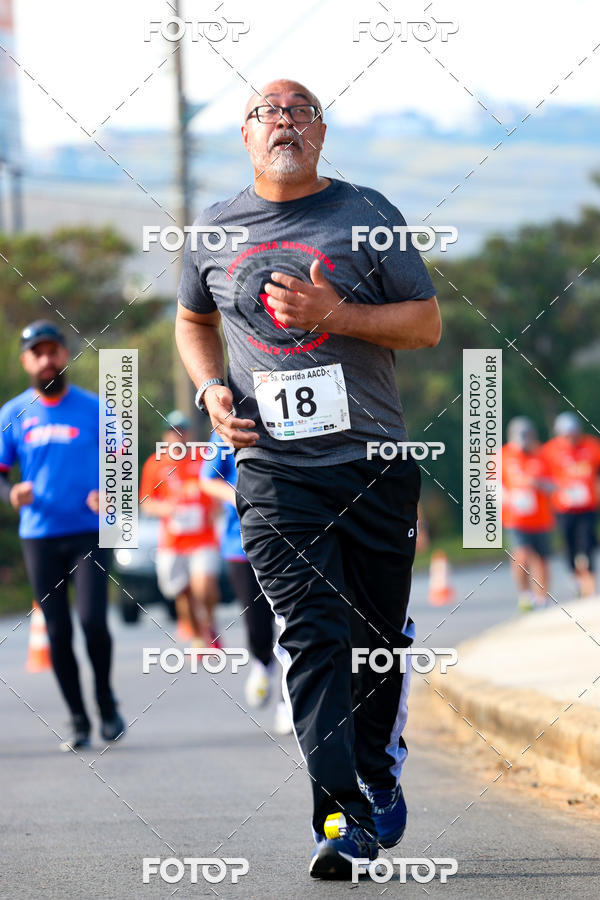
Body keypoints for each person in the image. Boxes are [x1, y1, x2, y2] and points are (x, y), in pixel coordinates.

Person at [175, 78, 441, 878]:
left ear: (320, 132)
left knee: (374, 641)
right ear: (246, 136)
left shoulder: (369, 214)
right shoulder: (214, 232)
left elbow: (424, 325)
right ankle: (340, 813)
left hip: (372, 462)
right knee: (314, 636)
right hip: (272, 468)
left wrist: (337, 316)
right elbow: (193, 319)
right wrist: (209, 389)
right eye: (267, 112)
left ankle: (378, 762)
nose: (283, 121)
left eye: (299, 111)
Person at [0, 320, 125, 751]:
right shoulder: (12, 414)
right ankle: (77, 719)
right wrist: (11, 491)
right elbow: (0, 473)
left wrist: (110, 494)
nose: (47, 359)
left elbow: (121, 464)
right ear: (26, 361)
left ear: (64, 355)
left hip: (88, 532)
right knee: (57, 631)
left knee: (92, 621)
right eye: (38, 353)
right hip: (40, 536)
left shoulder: (97, 408)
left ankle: (106, 702)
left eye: (53, 350)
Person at [200, 430, 293, 735]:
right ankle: (262, 662)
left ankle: (287, 702)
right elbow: (208, 479)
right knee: (257, 623)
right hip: (238, 545)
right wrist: (240, 497)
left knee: (292, 625)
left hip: (289, 542)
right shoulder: (227, 428)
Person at [139, 411, 221, 646]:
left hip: (203, 537)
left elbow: (217, 484)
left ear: (190, 434)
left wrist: (215, 507)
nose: (178, 437)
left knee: (203, 586)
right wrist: (166, 509)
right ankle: (197, 637)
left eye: (183, 432)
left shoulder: (203, 457)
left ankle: (209, 622)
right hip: (173, 540)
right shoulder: (155, 464)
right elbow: (146, 502)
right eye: (173, 432)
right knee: (181, 592)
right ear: (165, 436)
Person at [542, 412, 600, 597]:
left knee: (586, 542)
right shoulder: (550, 451)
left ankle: (589, 582)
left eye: (573, 433)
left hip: (587, 506)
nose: (571, 438)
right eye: (566, 435)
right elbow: (544, 476)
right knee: (570, 543)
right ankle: (573, 575)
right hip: (564, 507)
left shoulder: (591, 445)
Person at [502, 417, 555, 611]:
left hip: (540, 518)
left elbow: (554, 485)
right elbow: (492, 486)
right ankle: (525, 596)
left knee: (542, 559)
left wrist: (537, 483)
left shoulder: (541, 455)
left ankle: (542, 598)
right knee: (521, 555)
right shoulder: (503, 456)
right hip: (515, 518)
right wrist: (508, 498)